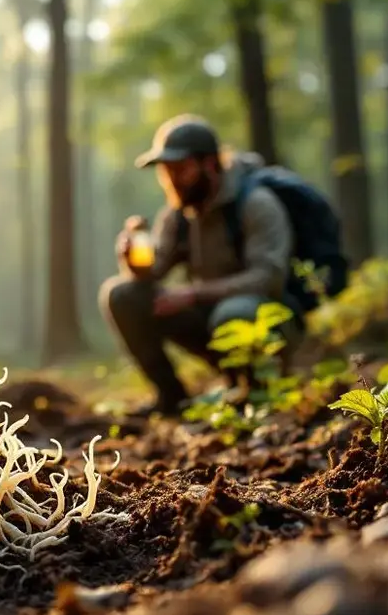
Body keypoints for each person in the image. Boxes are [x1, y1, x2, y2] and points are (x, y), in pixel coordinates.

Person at [99, 114, 302, 417]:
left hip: (268, 322)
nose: (172, 179)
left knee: (231, 313)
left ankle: (257, 394)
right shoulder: (177, 215)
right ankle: (172, 400)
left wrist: (193, 294)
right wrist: (131, 259)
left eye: (181, 169)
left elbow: (268, 278)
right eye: (166, 171)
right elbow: (152, 274)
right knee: (122, 294)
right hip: (211, 319)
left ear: (209, 164)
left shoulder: (256, 204)